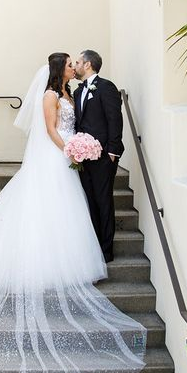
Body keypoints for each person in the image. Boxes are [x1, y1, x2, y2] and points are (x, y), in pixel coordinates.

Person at [0, 52, 145, 373]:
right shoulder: (49, 95)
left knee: (77, 209)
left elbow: (84, 121)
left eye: (77, 62)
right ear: (61, 68)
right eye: (70, 63)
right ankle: (49, 260)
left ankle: (85, 255)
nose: (74, 66)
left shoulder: (71, 93)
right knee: (54, 209)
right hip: (58, 158)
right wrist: (70, 150)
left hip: (74, 159)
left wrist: (88, 148)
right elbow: (51, 130)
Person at [73, 50, 124, 263]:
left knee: (104, 201)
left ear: (87, 65)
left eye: (77, 62)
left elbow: (115, 119)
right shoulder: (77, 93)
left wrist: (112, 151)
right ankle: (93, 246)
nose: (74, 66)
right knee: (90, 201)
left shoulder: (106, 87)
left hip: (104, 156)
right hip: (83, 157)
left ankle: (106, 251)